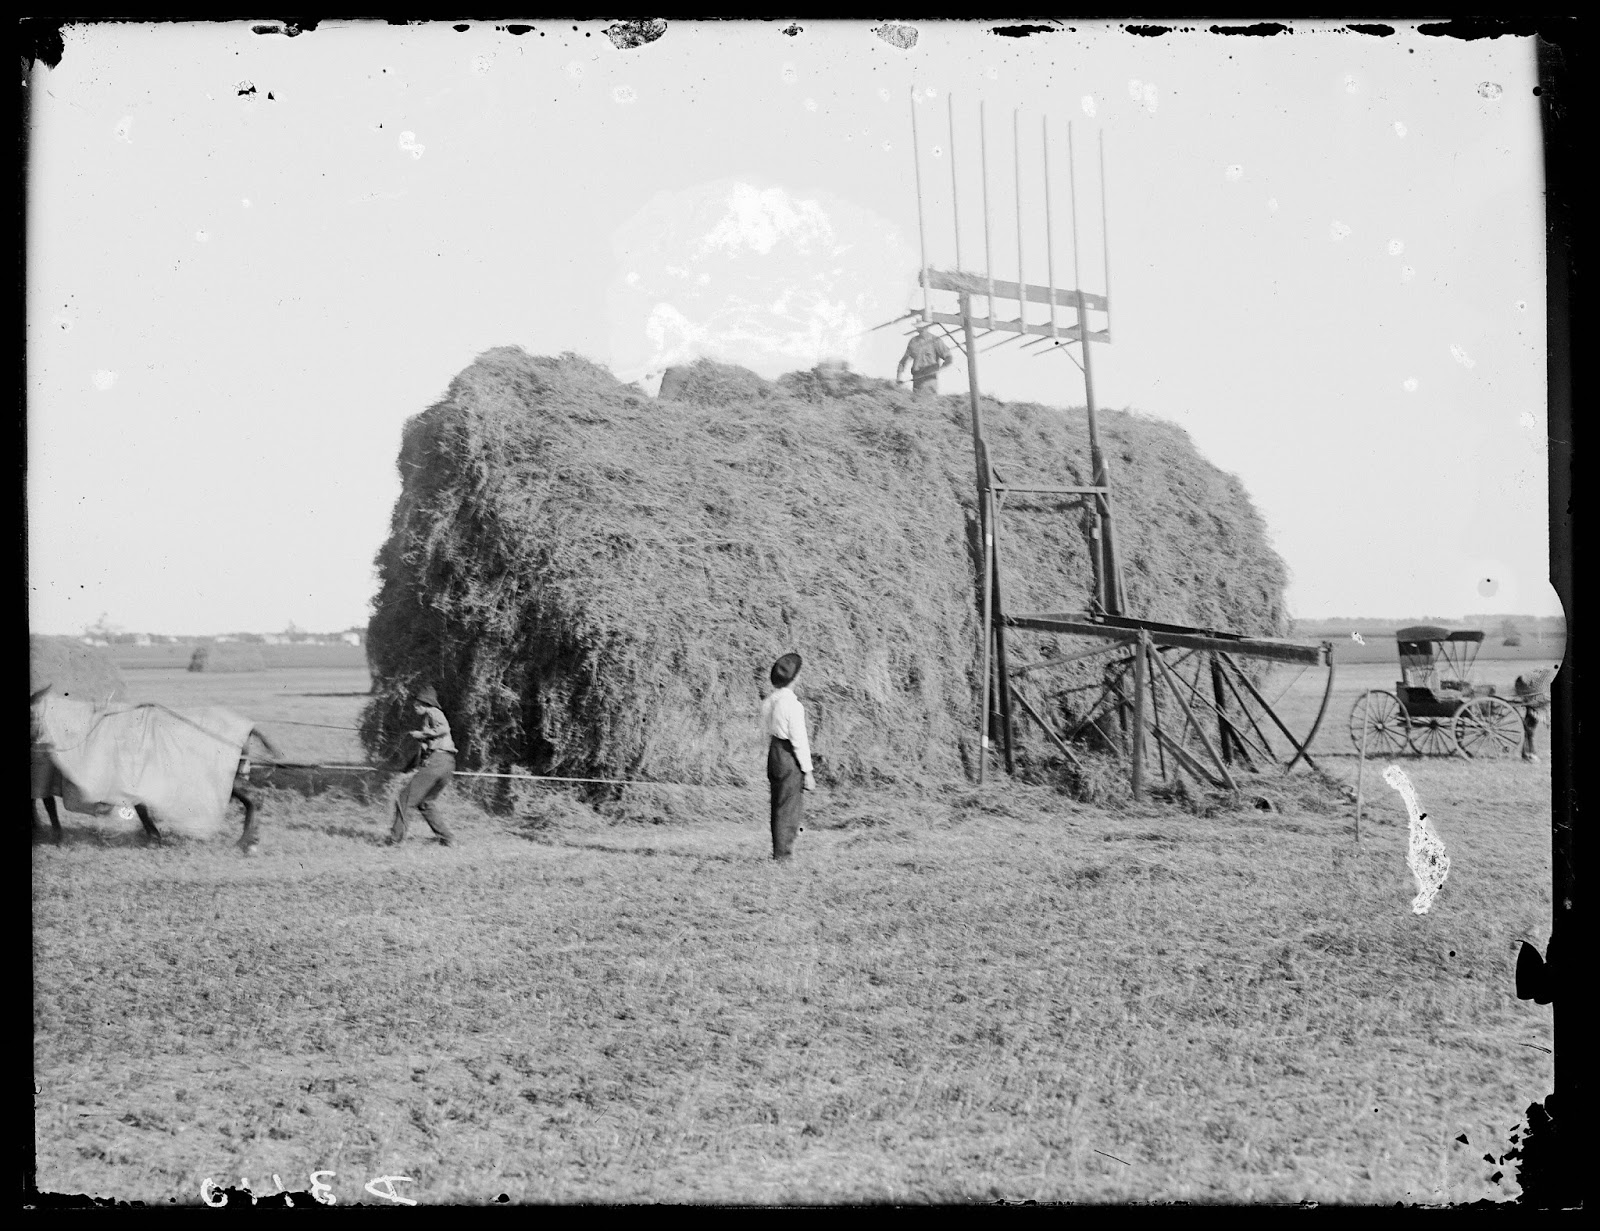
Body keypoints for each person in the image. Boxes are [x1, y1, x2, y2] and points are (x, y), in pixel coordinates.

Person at [760, 652, 815, 861]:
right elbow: (799, 740)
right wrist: (808, 771)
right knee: (789, 804)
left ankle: (778, 851)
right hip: (787, 752)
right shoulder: (793, 705)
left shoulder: (769, 702)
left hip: (773, 751)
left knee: (777, 802)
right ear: (796, 677)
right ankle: (784, 855)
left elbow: (764, 728)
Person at [390, 685, 456, 846]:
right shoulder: (429, 718)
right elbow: (427, 751)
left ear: (426, 703)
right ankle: (447, 839)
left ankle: (395, 841)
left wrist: (423, 734)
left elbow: (444, 728)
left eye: (418, 703)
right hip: (447, 764)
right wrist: (406, 768)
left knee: (404, 798)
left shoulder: (433, 712)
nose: (415, 706)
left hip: (437, 761)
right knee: (425, 802)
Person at [896, 323, 954, 398]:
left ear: (928, 327)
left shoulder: (935, 340)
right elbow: (903, 361)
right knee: (917, 402)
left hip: (929, 378)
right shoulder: (913, 341)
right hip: (917, 377)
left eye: (923, 327)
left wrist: (940, 369)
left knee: (929, 402)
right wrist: (898, 378)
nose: (920, 330)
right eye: (919, 328)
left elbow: (948, 358)